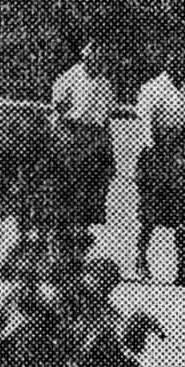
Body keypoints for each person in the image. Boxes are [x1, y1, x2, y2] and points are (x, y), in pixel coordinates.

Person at [134, 53, 185, 284]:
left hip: (182, 155)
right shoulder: (153, 88)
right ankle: (140, 261)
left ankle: (183, 268)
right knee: (151, 210)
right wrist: (156, 156)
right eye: (176, 64)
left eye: (184, 65)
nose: (181, 69)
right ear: (167, 65)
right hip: (157, 153)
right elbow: (146, 127)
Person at [49, 38, 118, 232]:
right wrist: (62, 133)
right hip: (72, 132)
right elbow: (57, 110)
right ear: (85, 57)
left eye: (100, 58)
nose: (96, 62)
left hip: (95, 135)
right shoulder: (69, 78)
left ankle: (88, 218)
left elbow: (106, 119)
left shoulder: (105, 84)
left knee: (103, 172)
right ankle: (61, 219)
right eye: (92, 57)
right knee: (67, 176)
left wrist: (108, 145)